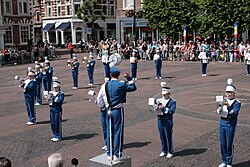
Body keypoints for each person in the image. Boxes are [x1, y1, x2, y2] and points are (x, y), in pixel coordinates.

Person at [96, 67, 137, 161]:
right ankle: (117, 154)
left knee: (109, 131)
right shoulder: (121, 84)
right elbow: (133, 88)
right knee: (118, 131)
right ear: (118, 75)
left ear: (110, 75)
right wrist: (129, 78)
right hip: (118, 110)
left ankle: (109, 153)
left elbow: (99, 99)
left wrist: (103, 107)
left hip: (108, 110)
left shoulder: (104, 85)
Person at [217, 78, 241, 167]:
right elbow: (219, 111)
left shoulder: (237, 102)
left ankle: (229, 161)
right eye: (227, 92)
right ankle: (224, 161)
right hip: (222, 123)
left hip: (230, 124)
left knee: (229, 143)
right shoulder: (223, 100)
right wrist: (219, 108)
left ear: (234, 93)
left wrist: (228, 106)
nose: (228, 94)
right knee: (222, 143)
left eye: (230, 92)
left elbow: (234, 113)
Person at [153, 83, 176, 158]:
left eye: (165, 94)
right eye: (163, 94)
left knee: (168, 136)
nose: (164, 95)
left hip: (167, 120)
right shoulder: (159, 100)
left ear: (169, 93)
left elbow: (171, 111)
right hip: (160, 119)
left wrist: (163, 108)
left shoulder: (172, 101)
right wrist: (155, 106)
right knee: (162, 136)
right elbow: (154, 110)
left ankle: (170, 151)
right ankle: (164, 150)